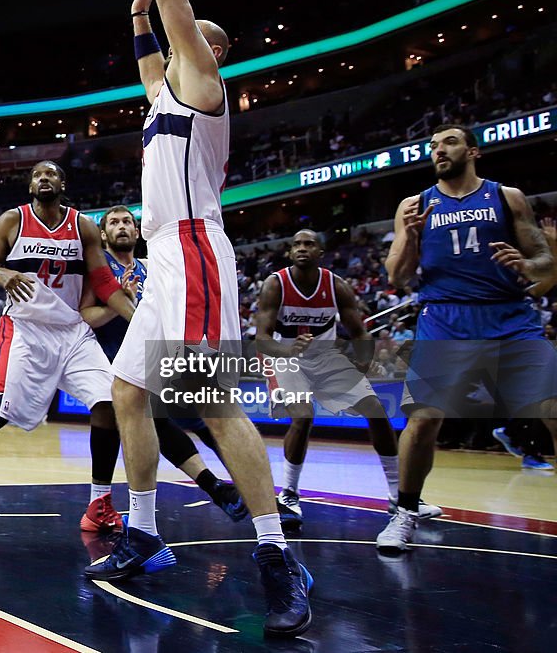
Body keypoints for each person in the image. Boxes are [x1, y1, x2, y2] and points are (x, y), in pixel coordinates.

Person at [83, 0, 312, 639]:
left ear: (212, 50)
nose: (185, 30)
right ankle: (144, 534)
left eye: (193, 30)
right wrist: (138, 16)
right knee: (127, 392)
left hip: (197, 250)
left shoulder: (205, 84)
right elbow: (149, 52)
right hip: (163, 259)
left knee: (212, 405)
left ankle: (278, 554)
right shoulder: (165, 92)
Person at [0, 161, 135, 533]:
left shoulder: (82, 226)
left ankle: (99, 502)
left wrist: (135, 316)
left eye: (51, 174)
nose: (43, 178)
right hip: (25, 329)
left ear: (62, 183)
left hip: (72, 330)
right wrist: (2, 273)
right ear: (30, 185)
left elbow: (101, 278)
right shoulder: (11, 221)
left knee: (107, 404)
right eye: (37, 175)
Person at [378, 125, 557, 553]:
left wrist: (530, 266)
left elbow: (545, 259)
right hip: (445, 316)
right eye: (434, 146)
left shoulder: (506, 196)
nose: (439, 150)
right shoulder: (415, 204)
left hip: (508, 313)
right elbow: (396, 275)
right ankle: (405, 512)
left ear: (473, 150)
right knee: (423, 419)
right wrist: (413, 237)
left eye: (449, 142)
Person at [253, 229, 441, 527]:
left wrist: (365, 361)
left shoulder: (336, 285)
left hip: (327, 357)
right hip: (284, 356)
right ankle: (288, 494)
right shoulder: (275, 284)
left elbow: (359, 332)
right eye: (296, 244)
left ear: (320, 253)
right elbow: (262, 339)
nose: (302, 248)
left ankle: (399, 496)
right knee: (303, 416)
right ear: (289, 252)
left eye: (309, 244)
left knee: (376, 411)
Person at [82, 205, 247, 522]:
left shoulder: (149, 267)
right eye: (114, 223)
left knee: (209, 421)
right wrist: (120, 304)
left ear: (136, 230)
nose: (122, 227)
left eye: (127, 222)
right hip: (119, 362)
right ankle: (216, 488)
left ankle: (245, 487)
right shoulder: (100, 268)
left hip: (162, 357)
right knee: (155, 420)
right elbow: (87, 315)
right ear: (103, 233)